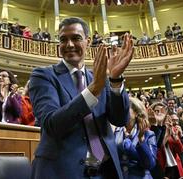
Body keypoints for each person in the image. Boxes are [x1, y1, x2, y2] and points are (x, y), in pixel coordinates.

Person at [29, 17, 134, 179]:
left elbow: (120, 119)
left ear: (88, 41)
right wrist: (93, 90)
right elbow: (51, 124)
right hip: (62, 171)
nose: (69, 44)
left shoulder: (99, 78)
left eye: (76, 38)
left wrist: (114, 79)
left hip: (105, 171)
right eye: (63, 39)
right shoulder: (43, 76)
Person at [114, 97, 157, 179]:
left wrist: (141, 140)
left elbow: (150, 165)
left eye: (126, 109)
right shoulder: (115, 131)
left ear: (136, 113)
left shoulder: (149, 134)